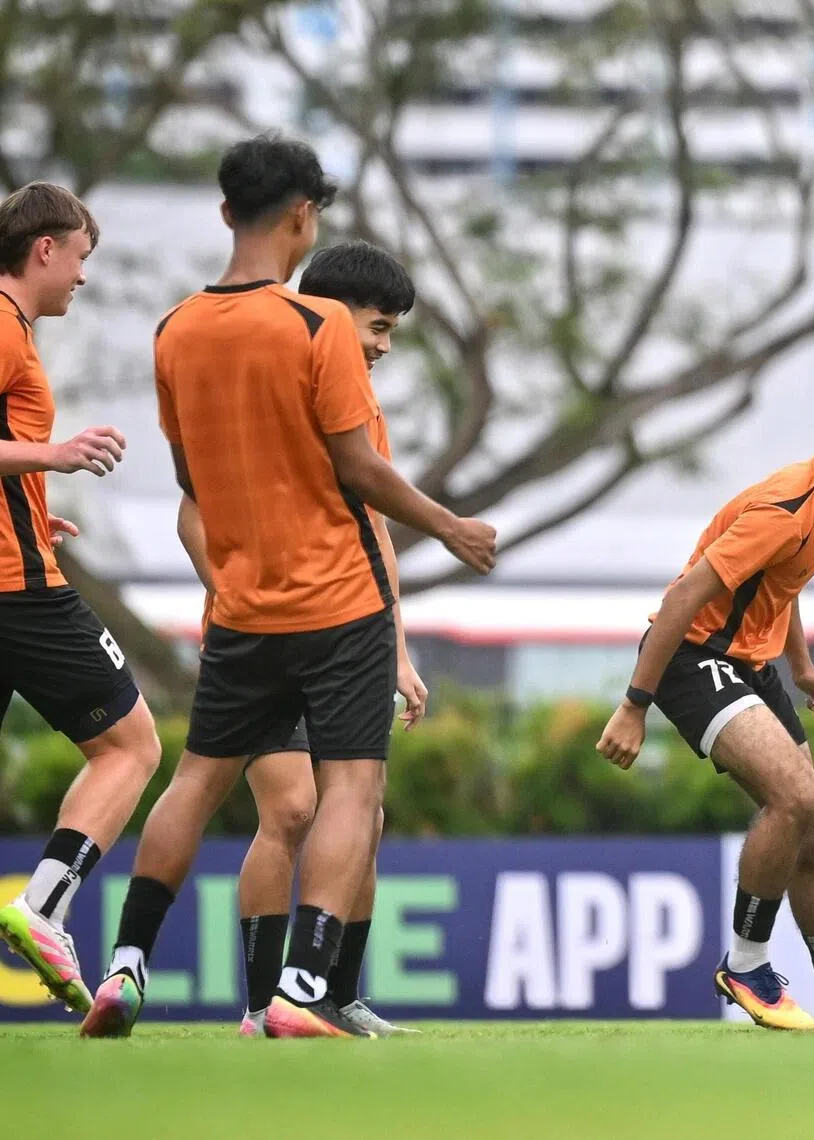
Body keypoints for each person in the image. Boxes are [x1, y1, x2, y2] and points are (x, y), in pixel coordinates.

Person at [80, 134, 495, 1040]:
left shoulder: (175, 330)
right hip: (337, 606)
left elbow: (195, 486)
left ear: (227, 211)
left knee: (193, 782)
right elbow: (361, 473)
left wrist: (229, 573)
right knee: (352, 791)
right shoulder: (317, 330)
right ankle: (302, 991)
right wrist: (449, 524)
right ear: (303, 217)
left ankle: (125, 967)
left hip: (239, 610)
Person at [598, 383, 814, 1030]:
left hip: (752, 664)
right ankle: (746, 964)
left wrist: (803, 667)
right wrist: (634, 704)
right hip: (692, 659)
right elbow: (682, 598)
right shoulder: (787, 506)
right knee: (795, 798)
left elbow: (783, 582)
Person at [175, 240, 426, 1038]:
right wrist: (233, 589)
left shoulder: (361, 407)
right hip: (261, 640)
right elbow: (194, 507)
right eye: (378, 327)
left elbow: (374, 533)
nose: (384, 346)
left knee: (366, 812)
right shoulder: (252, 384)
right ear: (325, 313)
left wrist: (399, 650)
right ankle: (261, 1007)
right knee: (290, 809)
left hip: (343, 634)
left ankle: (331, 996)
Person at [0, 183, 162, 1016]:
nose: (83, 280)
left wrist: (31, 502)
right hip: (18, 592)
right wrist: (54, 453)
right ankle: (42, 910)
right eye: (81, 260)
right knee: (132, 745)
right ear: (45, 251)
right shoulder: (1, 325)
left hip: (15, 560)